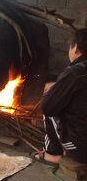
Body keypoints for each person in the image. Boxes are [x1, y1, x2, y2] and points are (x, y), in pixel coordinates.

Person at [35, 28, 87, 166]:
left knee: (50, 101)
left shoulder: (75, 72)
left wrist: (53, 90)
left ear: (75, 48)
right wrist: (58, 86)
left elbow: (46, 107)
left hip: (82, 151)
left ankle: (52, 154)